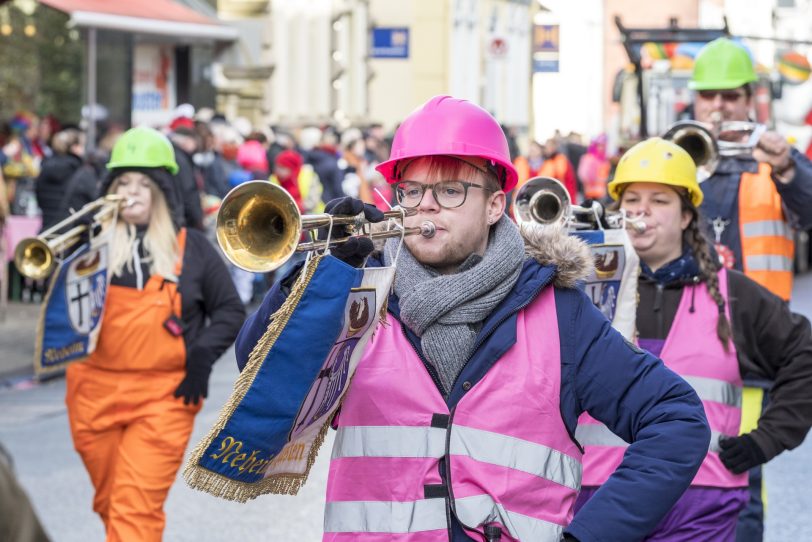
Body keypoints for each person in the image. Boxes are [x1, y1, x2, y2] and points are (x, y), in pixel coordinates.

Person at [235, 95, 711, 541]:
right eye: (412, 189)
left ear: (495, 205)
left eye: (450, 190)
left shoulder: (560, 313)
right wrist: (317, 276)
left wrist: (592, 535)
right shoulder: (359, 295)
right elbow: (258, 374)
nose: (425, 205)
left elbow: (677, 420)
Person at [575, 137, 812, 541]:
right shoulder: (583, 295)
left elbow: (804, 356)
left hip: (700, 508)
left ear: (687, 215)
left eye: (659, 200)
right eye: (631, 198)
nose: (641, 211)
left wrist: (765, 441)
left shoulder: (733, 295)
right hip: (603, 504)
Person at [64, 127, 244, 542]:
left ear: (163, 191)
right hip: (91, 394)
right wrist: (82, 237)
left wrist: (200, 358)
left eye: (144, 184)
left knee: (134, 510)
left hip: (163, 397)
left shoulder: (192, 248)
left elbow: (230, 310)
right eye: (122, 182)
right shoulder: (90, 250)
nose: (132, 192)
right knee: (111, 504)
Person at [690, 37, 812, 540]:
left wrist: (786, 166)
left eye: (731, 96)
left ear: (751, 99)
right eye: (709, 96)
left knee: (738, 492)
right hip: (682, 346)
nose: (719, 107)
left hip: (752, 355)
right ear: (695, 102)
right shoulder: (677, 158)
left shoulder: (775, 160)